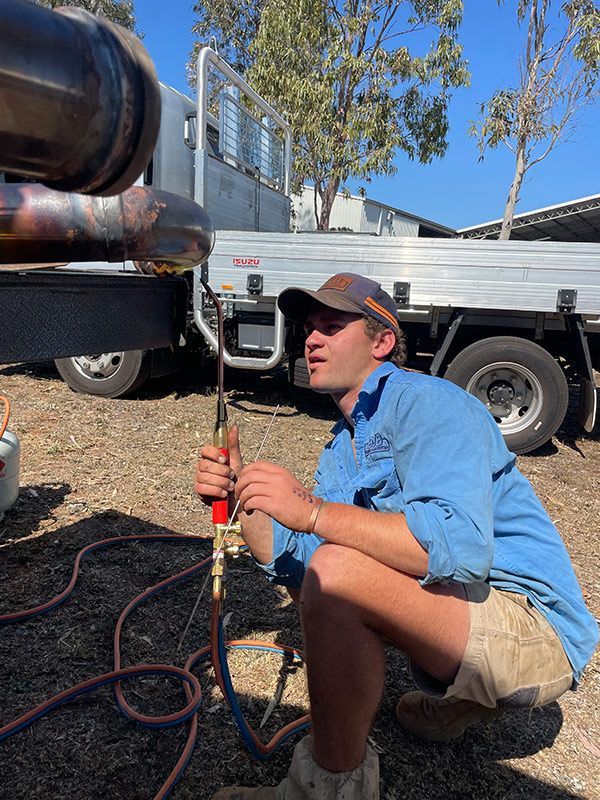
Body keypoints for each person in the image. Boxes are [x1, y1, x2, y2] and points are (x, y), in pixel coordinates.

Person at [195, 273, 598, 800]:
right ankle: (462, 696)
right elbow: (298, 567)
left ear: (381, 341)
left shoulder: (431, 403)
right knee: (327, 572)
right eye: (309, 328)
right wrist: (243, 492)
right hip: (468, 612)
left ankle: (327, 790)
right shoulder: (344, 444)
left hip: (535, 631)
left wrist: (313, 512)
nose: (311, 339)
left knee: (339, 573)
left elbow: (461, 550)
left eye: (331, 326)